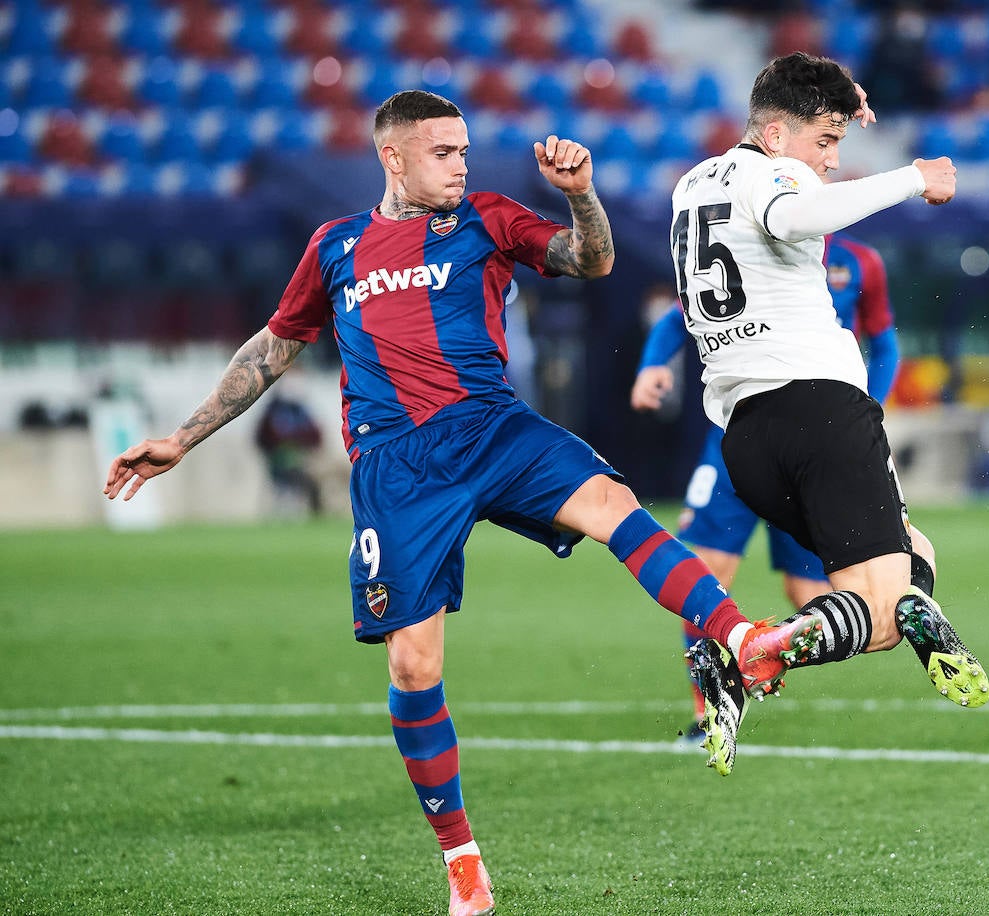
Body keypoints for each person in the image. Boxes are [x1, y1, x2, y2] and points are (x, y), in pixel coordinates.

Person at [103, 89, 824, 916]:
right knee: (414, 665)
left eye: (465, 151)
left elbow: (589, 260)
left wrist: (580, 194)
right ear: (394, 157)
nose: (461, 165)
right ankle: (464, 865)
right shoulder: (336, 245)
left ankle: (741, 638)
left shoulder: (486, 215)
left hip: (492, 426)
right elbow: (275, 346)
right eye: (444, 152)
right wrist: (184, 436)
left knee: (613, 506)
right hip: (399, 466)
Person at [667, 52, 989, 772]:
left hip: (745, 438)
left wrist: (833, 100)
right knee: (882, 612)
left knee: (909, 560)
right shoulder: (775, 173)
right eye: (826, 142)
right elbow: (796, 210)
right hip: (819, 410)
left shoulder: (692, 184)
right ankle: (750, 652)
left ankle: (875, 616)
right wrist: (913, 176)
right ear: (776, 133)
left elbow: (784, 173)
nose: (833, 162)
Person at [630, 230, 899, 743]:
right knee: (706, 575)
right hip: (740, 434)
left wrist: (870, 408)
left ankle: (764, 653)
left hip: (822, 443)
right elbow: (679, 316)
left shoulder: (861, 262)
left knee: (816, 594)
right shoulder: (744, 243)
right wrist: (651, 366)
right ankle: (711, 713)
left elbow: (884, 342)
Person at [253, 386, 324, 516]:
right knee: (290, 480)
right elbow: (261, 438)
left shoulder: (301, 410)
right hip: (277, 462)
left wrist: (303, 447)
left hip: (301, 461)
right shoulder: (271, 411)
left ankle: (315, 514)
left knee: (312, 480)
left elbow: (316, 436)